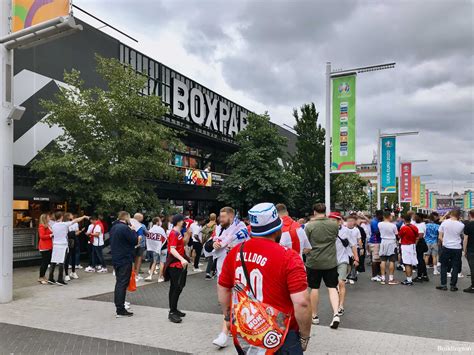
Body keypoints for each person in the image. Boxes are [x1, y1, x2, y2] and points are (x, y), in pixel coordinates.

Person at [217, 203, 312, 354]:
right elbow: (302, 303)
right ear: (277, 229)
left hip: (246, 330)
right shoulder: (289, 257)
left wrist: (228, 318)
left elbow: (223, 288)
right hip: (281, 335)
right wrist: (305, 336)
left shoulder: (236, 252)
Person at [211, 207, 249, 348]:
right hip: (222, 271)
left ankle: (225, 332)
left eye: (223, 217)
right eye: (220, 216)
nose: (220, 219)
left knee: (236, 301)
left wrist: (222, 243)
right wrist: (215, 243)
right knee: (226, 303)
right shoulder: (219, 229)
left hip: (238, 273)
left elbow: (232, 240)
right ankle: (231, 327)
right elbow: (215, 242)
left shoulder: (240, 228)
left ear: (231, 217)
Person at [304, 203, 340, 329]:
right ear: (325, 211)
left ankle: (314, 316)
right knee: (332, 287)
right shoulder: (333, 224)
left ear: (314, 212)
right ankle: (336, 313)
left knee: (314, 288)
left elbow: (306, 244)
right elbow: (334, 238)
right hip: (330, 261)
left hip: (314, 262)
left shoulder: (309, 226)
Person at [110, 211, 137, 317]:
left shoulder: (114, 227)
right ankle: (120, 309)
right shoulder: (125, 228)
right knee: (122, 283)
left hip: (116, 258)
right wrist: (134, 231)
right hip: (124, 258)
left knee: (119, 282)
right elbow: (134, 240)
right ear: (126, 218)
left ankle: (119, 306)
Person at [49, 212, 89, 286]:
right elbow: (76, 220)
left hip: (55, 244)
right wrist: (83, 217)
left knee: (53, 261)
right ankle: (60, 279)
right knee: (61, 262)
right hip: (63, 244)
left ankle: (50, 278)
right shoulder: (64, 224)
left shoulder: (53, 225)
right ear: (61, 217)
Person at [332, 213, 358, 317]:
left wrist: (356, 258)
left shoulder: (346, 230)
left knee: (341, 282)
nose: (332, 222)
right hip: (330, 261)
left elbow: (353, 245)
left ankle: (341, 306)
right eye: (330, 220)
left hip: (342, 260)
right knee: (333, 286)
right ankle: (335, 303)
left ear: (339, 221)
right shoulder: (327, 231)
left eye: (334, 220)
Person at [166, 214, 190, 323]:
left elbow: (180, 246)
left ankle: (174, 309)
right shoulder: (174, 233)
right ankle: (172, 312)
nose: (184, 222)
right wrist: (182, 259)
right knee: (176, 287)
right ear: (179, 221)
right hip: (175, 265)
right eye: (183, 220)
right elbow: (172, 249)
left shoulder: (178, 232)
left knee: (177, 287)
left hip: (179, 264)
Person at [437, 210, 465, 291]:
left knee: (444, 266)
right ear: (459, 215)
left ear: (451, 214)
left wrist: (444, 242)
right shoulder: (461, 225)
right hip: (457, 248)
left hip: (446, 247)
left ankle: (443, 284)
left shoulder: (444, 223)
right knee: (455, 266)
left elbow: (440, 236)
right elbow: (463, 235)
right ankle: (453, 285)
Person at [378, 211, 399, 285]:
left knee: (383, 260)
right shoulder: (393, 225)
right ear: (389, 216)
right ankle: (390, 279)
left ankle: (383, 278)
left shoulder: (379, 224)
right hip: (391, 243)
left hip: (383, 242)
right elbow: (397, 235)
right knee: (392, 261)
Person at [398, 214, 419, 286]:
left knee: (407, 263)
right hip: (413, 246)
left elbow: (399, 236)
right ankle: (410, 278)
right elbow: (417, 237)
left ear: (404, 220)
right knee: (411, 263)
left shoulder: (403, 228)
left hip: (405, 246)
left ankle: (409, 280)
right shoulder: (415, 227)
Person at [145, 217, 166, 282]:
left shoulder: (150, 230)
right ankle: (159, 277)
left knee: (154, 262)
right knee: (162, 262)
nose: (160, 222)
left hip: (155, 248)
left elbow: (149, 239)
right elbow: (165, 239)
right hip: (163, 248)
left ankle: (150, 275)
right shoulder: (161, 229)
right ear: (157, 222)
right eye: (160, 221)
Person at [131, 213, 147, 281]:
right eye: (142, 217)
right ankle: (136, 275)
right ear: (139, 218)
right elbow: (146, 233)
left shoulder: (130, 224)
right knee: (138, 259)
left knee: (132, 260)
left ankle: (132, 274)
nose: (143, 219)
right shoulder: (142, 225)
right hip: (141, 244)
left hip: (132, 244)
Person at [345, 215, 361, 283]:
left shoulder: (356, 229)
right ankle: (346, 277)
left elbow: (359, 239)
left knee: (353, 263)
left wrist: (361, 248)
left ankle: (352, 276)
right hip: (346, 249)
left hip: (354, 248)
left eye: (351, 221)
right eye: (348, 221)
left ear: (354, 222)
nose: (350, 222)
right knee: (346, 264)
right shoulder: (344, 229)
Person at [38, 213, 53, 285]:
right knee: (44, 262)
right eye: (48, 217)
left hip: (49, 246)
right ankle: (40, 277)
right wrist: (51, 235)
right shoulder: (42, 227)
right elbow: (42, 236)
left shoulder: (48, 225)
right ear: (45, 218)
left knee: (46, 262)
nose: (49, 218)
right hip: (44, 247)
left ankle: (43, 276)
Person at [368, 210, 383, 281]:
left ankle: (378, 274)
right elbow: (377, 231)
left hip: (378, 241)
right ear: (379, 215)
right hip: (375, 241)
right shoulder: (374, 222)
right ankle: (374, 275)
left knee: (378, 259)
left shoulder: (377, 221)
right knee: (375, 259)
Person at [413, 213, 428, 282]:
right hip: (420, 242)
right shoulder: (420, 224)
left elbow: (420, 236)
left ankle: (419, 276)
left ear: (419, 218)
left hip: (419, 243)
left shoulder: (421, 225)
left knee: (419, 260)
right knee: (421, 259)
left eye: (416, 217)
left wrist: (414, 245)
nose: (414, 218)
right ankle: (424, 275)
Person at [203, 213, 217, 280]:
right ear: (215, 218)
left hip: (207, 242)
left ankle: (209, 272)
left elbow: (202, 232)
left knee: (211, 258)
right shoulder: (215, 226)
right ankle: (211, 273)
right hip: (213, 242)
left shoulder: (206, 225)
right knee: (213, 258)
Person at [463, 209, 474, 293]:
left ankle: (473, 286)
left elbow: (465, 239)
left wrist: (464, 249)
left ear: (470, 215)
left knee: (473, 268)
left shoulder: (468, 225)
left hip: (471, 249)